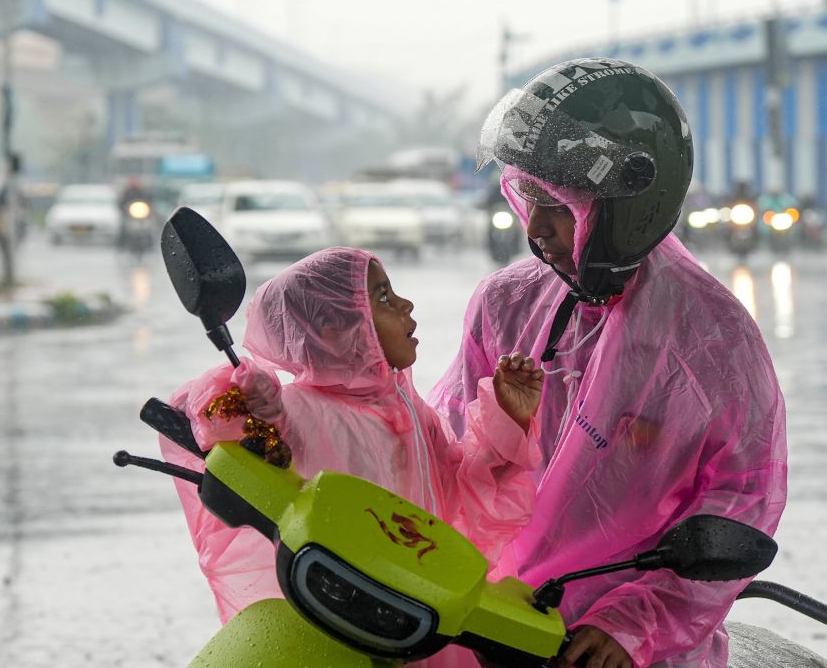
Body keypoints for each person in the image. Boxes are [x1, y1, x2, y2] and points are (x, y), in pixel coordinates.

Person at [432, 58, 788, 667]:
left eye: (559, 205)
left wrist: (636, 621)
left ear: (630, 209)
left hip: (619, 648)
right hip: (481, 616)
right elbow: (443, 446)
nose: (536, 228)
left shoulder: (714, 341)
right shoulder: (505, 303)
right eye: (528, 197)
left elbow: (739, 503)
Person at [160, 247, 546, 629]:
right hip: (341, 623)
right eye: (383, 298)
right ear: (334, 330)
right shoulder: (293, 411)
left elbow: (462, 495)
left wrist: (508, 420)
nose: (406, 305)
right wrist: (250, 402)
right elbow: (213, 425)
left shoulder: (408, 411)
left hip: (418, 612)